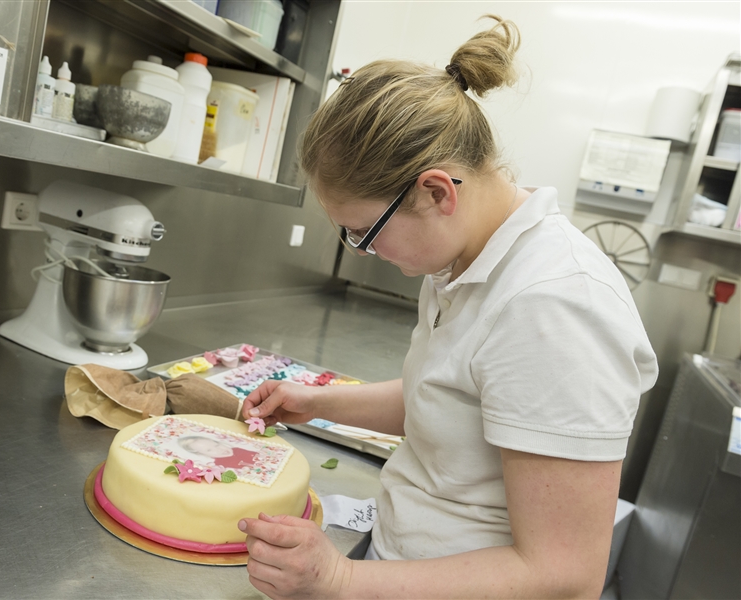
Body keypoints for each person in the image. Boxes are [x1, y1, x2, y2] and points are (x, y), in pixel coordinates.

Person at [237, 15, 658, 599]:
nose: (362, 251)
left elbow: (563, 574)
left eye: (364, 232)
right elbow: (448, 402)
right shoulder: (460, 257)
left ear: (436, 192)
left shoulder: (555, 306)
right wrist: (318, 402)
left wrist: (342, 578)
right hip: (400, 564)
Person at [178, 435, 258, 470]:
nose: (219, 450)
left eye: (216, 445)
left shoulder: (237, 450)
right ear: (202, 454)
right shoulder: (220, 465)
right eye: (209, 450)